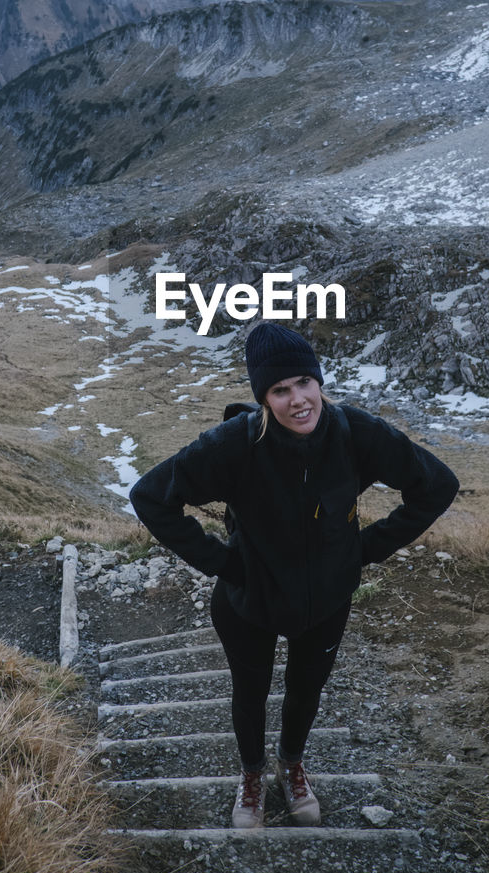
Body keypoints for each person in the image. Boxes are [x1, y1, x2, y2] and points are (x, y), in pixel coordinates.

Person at [129, 321, 459, 829]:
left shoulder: (356, 433)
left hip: (327, 598)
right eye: (280, 390)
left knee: (307, 688)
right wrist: (225, 563)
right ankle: (253, 776)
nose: (297, 399)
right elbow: (151, 496)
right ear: (263, 397)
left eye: (304, 382)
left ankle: (292, 764)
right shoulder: (233, 445)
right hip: (249, 601)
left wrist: (363, 550)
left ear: (318, 380)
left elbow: (436, 484)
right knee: (251, 691)